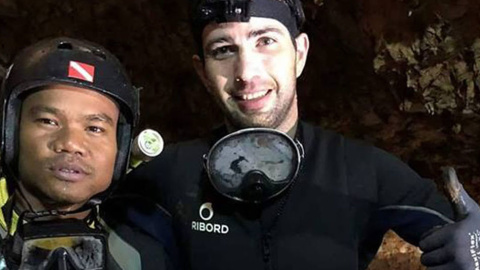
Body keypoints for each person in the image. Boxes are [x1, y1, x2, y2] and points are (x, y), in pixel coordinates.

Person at [124, 0, 480, 269]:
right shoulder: (167, 173)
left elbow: (459, 229)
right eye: (223, 50)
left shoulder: (362, 170)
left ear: (300, 53)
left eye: (265, 41)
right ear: (203, 72)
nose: (246, 73)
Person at [0, 37, 174, 270]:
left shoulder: (142, 256)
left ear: (120, 149)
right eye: (48, 121)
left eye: (94, 128)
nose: (71, 144)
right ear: (10, 131)